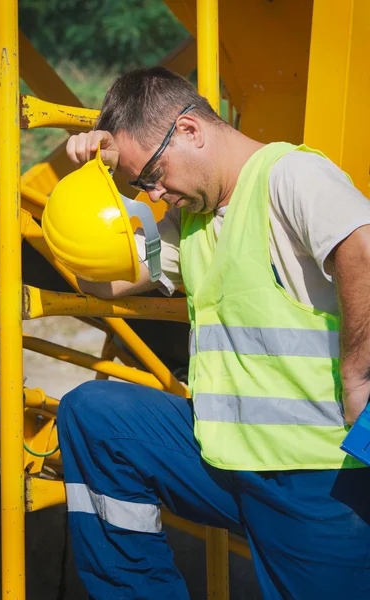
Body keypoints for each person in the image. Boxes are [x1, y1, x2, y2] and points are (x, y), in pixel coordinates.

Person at [58, 67, 370, 600]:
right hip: (224, 460)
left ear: (190, 130)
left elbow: (361, 248)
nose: (154, 193)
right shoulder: (193, 222)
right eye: (141, 185)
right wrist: (93, 181)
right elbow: (105, 280)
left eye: (153, 173)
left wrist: (358, 370)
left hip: (313, 472)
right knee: (96, 416)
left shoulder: (289, 174)